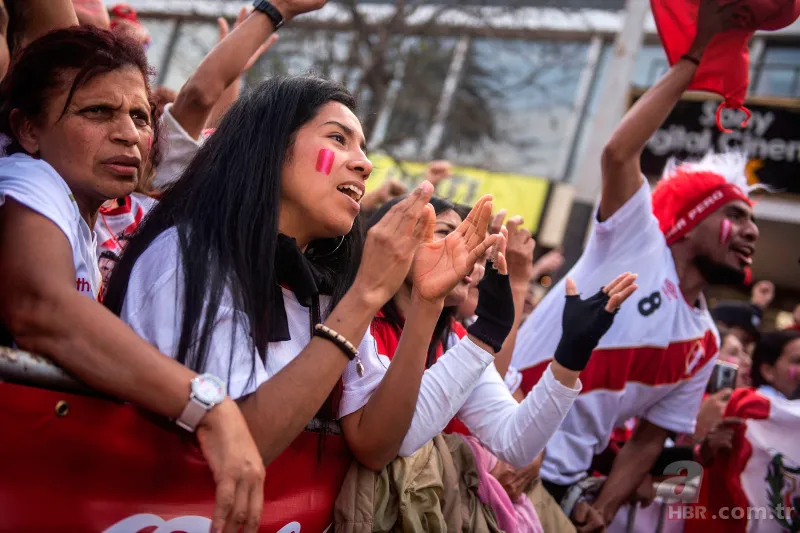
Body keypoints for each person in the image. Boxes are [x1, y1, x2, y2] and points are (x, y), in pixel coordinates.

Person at [103, 74, 503, 474]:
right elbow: (243, 446)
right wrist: (365, 294)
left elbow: (376, 445)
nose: (364, 164)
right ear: (272, 147)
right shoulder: (188, 256)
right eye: (338, 139)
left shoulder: (325, 289)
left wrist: (426, 304)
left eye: (363, 148)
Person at [0, 26, 266, 532]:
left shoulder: (92, 217)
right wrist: (210, 406)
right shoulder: (29, 178)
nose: (129, 134)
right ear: (29, 129)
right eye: (97, 112)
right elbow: (41, 309)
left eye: (140, 116)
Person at [507, 1, 759, 530]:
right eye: (736, 215)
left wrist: (604, 507)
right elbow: (619, 153)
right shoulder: (635, 239)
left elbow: (649, 441)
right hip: (491, 432)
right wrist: (695, 54)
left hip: (557, 487)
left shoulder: (706, 345)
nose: (753, 232)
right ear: (689, 222)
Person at [368, 195, 639, 468]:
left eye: (474, 248)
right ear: (396, 242)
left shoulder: (455, 339)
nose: (466, 255)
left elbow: (516, 444)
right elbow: (391, 441)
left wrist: (571, 356)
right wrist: (485, 334)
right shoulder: (361, 323)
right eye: (445, 234)